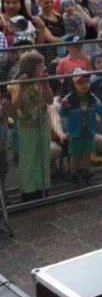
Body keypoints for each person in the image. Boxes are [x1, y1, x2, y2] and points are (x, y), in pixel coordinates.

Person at [3, 51, 53, 201]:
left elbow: (50, 100)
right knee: (28, 158)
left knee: (43, 156)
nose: (43, 68)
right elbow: (16, 104)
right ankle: (28, 191)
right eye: (40, 65)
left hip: (43, 123)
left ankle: (43, 187)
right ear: (31, 68)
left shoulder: (42, 81)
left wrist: (45, 85)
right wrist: (22, 86)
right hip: (26, 126)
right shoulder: (16, 83)